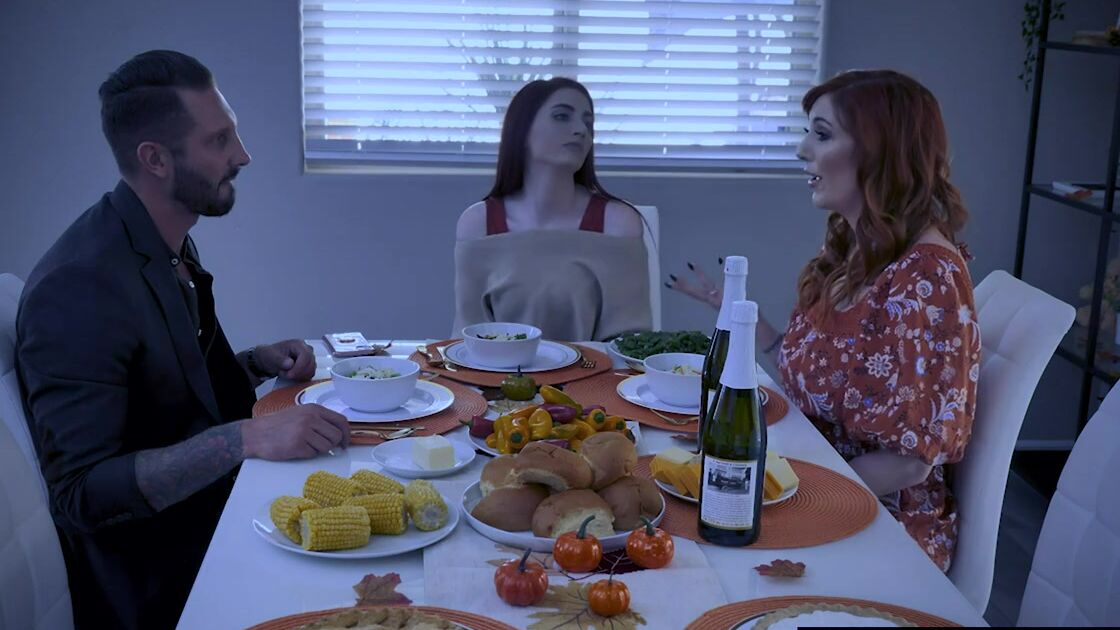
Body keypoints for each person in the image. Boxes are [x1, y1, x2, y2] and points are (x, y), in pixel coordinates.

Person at [16, 50, 350, 629]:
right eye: (219, 140)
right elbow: (80, 495)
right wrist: (245, 438)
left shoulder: (162, 244)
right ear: (155, 159)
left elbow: (168, 400)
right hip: (163, 579)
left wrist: (255, 363)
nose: (242, 155)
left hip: (212, 519)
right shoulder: (79, 285)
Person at [668, 69, 979, 572]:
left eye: (822, 134)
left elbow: (909, 464)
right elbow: (814, 374)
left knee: (689, 548)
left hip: (877, 526)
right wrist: (737, 314)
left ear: (880, 149)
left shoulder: (927, 276)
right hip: (812, 481)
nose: (802, 150)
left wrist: (788, 495)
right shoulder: (854, 248)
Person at [453, 77, 652, 341]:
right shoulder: (478, 223)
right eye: (561, 117)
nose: (581, 130)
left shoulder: (618, 223)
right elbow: (466, 337)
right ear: (522, 130)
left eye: (588, 123)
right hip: (496, 368)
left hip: (596, 368)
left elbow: (629, 342)